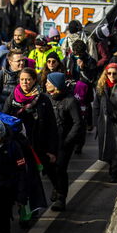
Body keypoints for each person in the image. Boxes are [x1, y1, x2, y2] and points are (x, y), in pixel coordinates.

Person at [3, 68, 59, 188]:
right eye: (22, 79)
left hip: (39, 143)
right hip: (19, 142)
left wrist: (52, 150)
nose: (25, 82)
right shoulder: (13, 97)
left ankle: (58, 192)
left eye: (28, 79)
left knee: (47, 173)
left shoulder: (43, 99)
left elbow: (51, 126)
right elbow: (4, 118)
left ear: (34, 80)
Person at [45, 72, 82, 211]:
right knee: (48, 167)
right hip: (49, 140)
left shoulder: (70, 101)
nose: (46, 84)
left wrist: (68, 141)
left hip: (64, 141)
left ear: (56, 85)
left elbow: (78, 123)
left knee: (60, 168)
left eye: (49, 82)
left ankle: (61, 197)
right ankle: (57, 187)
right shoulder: (46, 98)